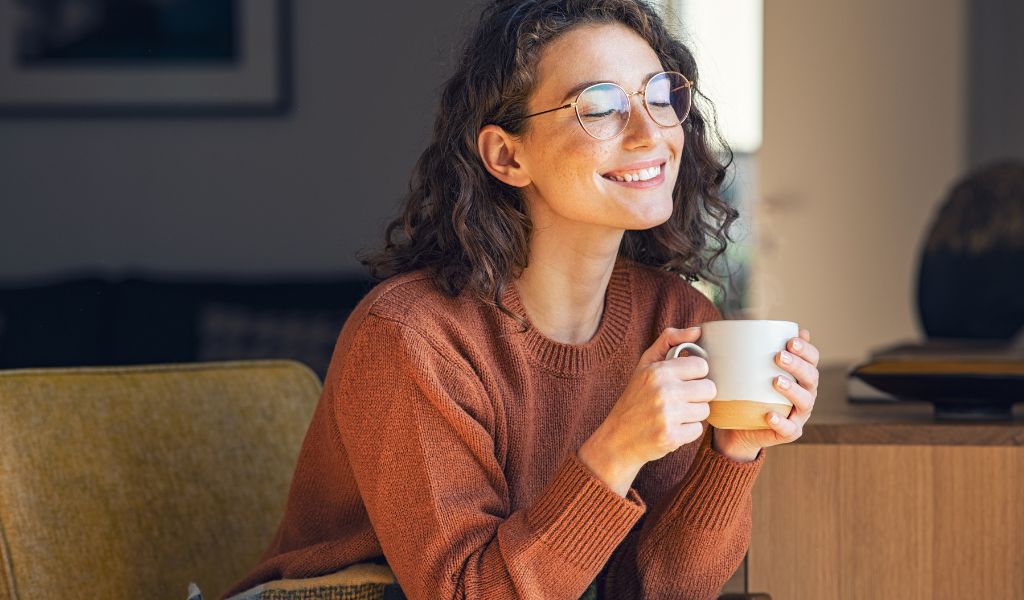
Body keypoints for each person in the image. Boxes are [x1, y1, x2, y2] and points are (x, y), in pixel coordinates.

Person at [224, 0, 820, 598]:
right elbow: (465, 592)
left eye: (659, 94)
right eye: (602, 108)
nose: (651, 133)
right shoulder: (409, 336)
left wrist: (731, 454)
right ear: (508, 156)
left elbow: (654, 589)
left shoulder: (676, 320)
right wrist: (615, 450)